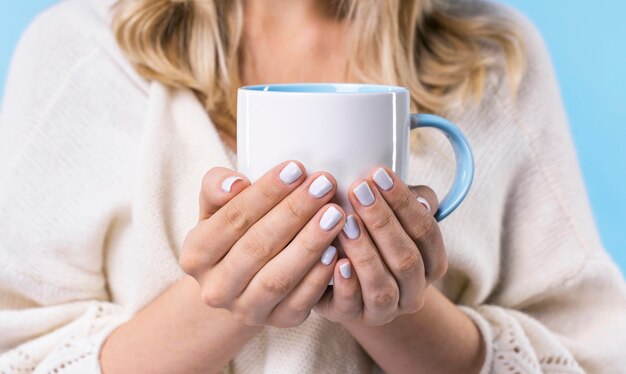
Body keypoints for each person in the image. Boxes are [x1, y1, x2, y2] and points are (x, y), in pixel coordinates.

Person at [1, 0, 625, 372]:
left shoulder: (491, 58)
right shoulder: (83, 48)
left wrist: (394, 309)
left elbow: (593, 356)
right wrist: (221, 299)